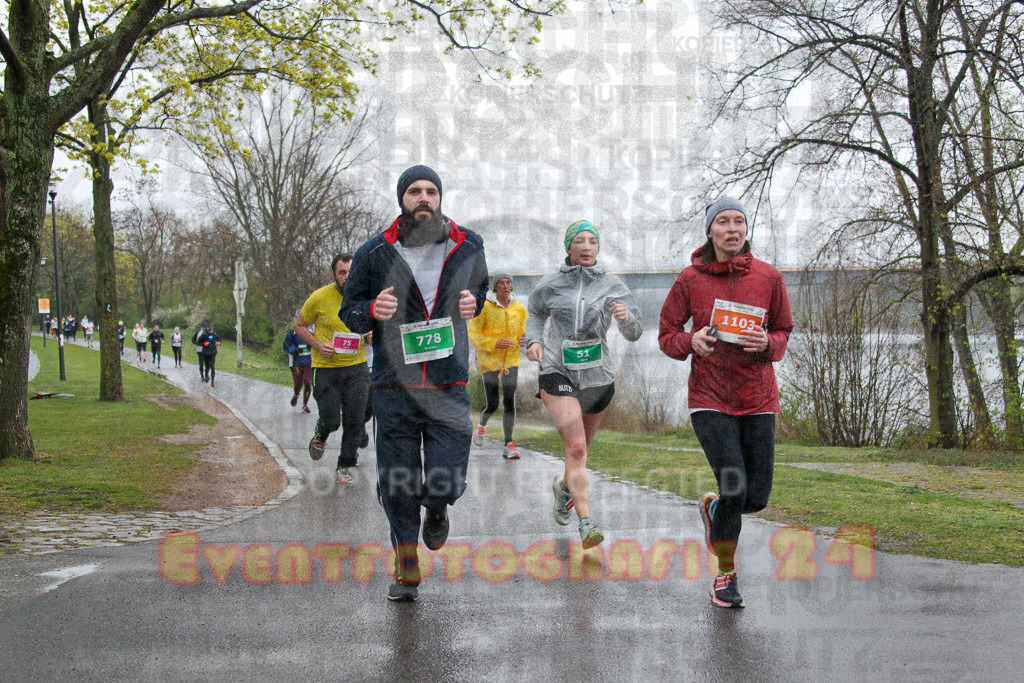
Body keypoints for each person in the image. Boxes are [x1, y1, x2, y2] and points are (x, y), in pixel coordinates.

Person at [340, 164, 488, 602]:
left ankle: (438, 506)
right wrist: (372, 312)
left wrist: (472, 302)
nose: (423, 198)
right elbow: (349, 311)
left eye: (430, 191)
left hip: (447, 383)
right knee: (399, 482)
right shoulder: (374, 252)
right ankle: (407, 566)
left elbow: (477, 294)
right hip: (393, 386)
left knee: (443, 476)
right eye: (414, 192)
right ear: (402, 198)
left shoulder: (469, 245)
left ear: (440, 198)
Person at [658, 197, 794, 609]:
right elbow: (667, 334)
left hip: (757, 398)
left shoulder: (769, 277)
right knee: (735, 487)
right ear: (710, 231)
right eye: (723, 222)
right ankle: (725, 575)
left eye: (739, 221)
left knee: (757, 498)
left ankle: (714, 508)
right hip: (710, 399)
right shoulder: (689, 279)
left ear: (746, 230)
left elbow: (785, 329)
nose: (732, 229)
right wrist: (691, 341)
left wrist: (769, 342)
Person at [525, 220, 642, 549]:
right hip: (556, 370)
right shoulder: (550, 284)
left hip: (597, 378)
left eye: (593, 241)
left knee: (580, 452)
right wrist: (534, 341)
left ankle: (564, 488)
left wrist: (625, 318)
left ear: (598, 247)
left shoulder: (612, 285)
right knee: (576, 447)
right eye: (580, 241)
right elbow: (534, 312)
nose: (587, 246)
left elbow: (635, 332)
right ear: (569, 247)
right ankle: (587, 522)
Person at [296, 255, 370, 483]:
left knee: (355, 420)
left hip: (357, 366)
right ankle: (322, 432)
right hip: (326, 368)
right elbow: (299, 325)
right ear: (334, 274)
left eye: (350, 271)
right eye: (342, 272)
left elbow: (370, 327)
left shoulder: (363, 298)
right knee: (332, 420)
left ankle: (344, 465)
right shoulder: (318, 297)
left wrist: (369, 335)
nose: (347, 277)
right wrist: (317, 344)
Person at [467, 273, 528, 459]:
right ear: (495, 287)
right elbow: (474, 333)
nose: (505, 286)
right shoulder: (485, 307)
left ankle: (509, 444)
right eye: (501, 283)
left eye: (508, 283)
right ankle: (481, 427)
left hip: (511, 360)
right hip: (489, 361)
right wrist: (494, 343)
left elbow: (524, 331)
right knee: (492, 403)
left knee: (510, 401)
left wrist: (525, 340)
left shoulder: (519, 308)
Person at [283, 311, 314, 413]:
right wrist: (294, 350)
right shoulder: (292, 333)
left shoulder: (312, 331)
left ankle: (305, 405)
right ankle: (296, 394)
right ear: (296, 319)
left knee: (308, 382)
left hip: (309, 361)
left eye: (304, 319)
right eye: (298, 318)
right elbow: (286, 345)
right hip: (295, 362)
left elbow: (318, 344)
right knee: (298, 383)